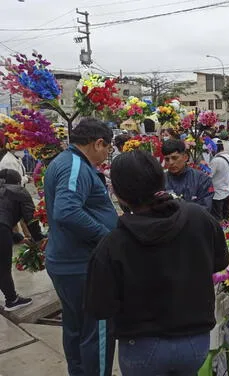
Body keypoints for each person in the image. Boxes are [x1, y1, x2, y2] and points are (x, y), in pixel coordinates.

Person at [84, 150, 229, 376]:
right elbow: (220, 261)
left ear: (119, 195)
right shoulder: (199, 217)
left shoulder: (112, 244)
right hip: (195, 343)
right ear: (160, 179)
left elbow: (100, 307)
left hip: (142, 348)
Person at [44, 118, 118, 376]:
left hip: (68, 262)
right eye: (107, 148)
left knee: (75, 328)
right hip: (82, 265)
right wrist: (105, 237)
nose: (107, 154)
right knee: (97, 331)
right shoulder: (75, 165)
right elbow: (66, 211)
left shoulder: (64, 162)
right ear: (98, 143)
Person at [0, 169, 45, 311]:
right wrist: (38, 238)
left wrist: (20, 238)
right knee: (3, 268)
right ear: (18, 181)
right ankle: (12, 300)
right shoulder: (19, 191)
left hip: (3, 228)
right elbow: (30, 219)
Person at [162, 139, 214, 211]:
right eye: (167, 159)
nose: (171, 162)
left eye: (174, 158)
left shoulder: (202, 180)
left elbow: (204, 210)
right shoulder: (160, 181)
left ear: (185, 157)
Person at [210, 141, 229, 221]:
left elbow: (208, 176)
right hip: (228, 190)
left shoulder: (216, 161)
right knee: (226, 217)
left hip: (218, 194)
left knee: (218, 218)